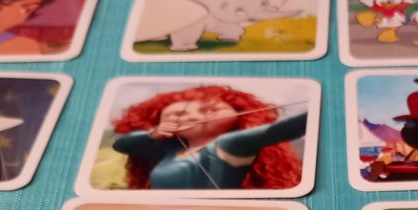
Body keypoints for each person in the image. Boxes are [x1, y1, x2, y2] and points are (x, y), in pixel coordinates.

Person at [109, 84, 304, 192]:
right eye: (177, 115)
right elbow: (122, 144)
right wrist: (153, 134)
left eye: (210, 110)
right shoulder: (169, 148)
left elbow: (280, 130)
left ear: (239, 113)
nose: (193, 117)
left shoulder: (229, 144)